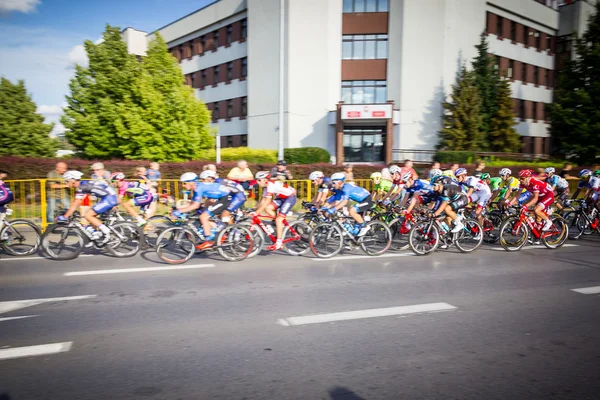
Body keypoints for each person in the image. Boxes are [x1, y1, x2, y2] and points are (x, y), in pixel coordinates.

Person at [173, 171, 244, 251]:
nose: (183, 185)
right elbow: (193, 203)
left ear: (191, 182)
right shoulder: (196, 187)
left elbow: (195, 205)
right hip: (220, 198)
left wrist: (180, 211)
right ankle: (215, 229)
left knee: (203, 217)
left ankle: (209, 240)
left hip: (225, 198)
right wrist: (179, 209)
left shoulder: (198, 188)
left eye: (184, 183)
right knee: (202, 214)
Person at [58, 171, 118, 245]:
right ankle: (95, 239)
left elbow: (75, 203)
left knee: (88, 215)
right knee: (90, 218)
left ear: (73, 180)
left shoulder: (81, 187)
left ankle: (106, 232)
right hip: (107, 197)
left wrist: (65, 216)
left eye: (67, 181)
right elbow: (78, 200)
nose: (66, 183)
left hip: (109, 198)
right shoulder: (83, 184)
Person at [252, 171, 297, 250]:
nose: (257, 182)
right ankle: (279, 223)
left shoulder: (270, 185)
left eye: (259, 180)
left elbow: (267, 201)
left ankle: (279, 242)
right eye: (257, 180)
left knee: (279, 219)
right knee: (267, 208)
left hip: (289, 197)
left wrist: (257, 213)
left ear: (265, 180)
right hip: (281, 198)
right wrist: (254, 209)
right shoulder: (266, 187)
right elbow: (263, 201)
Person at [321, 172, 372, 237]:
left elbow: (344, 202)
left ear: (340, 182)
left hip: (366, 199)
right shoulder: (339, 189)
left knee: (351, 211)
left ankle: (365, 226)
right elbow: (337, 201)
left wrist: (333, 209)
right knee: (348, 212)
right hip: (359, 201)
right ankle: (355, 239)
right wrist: (327, 207)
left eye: (334, 183)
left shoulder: (346, 188)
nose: (333, 185)